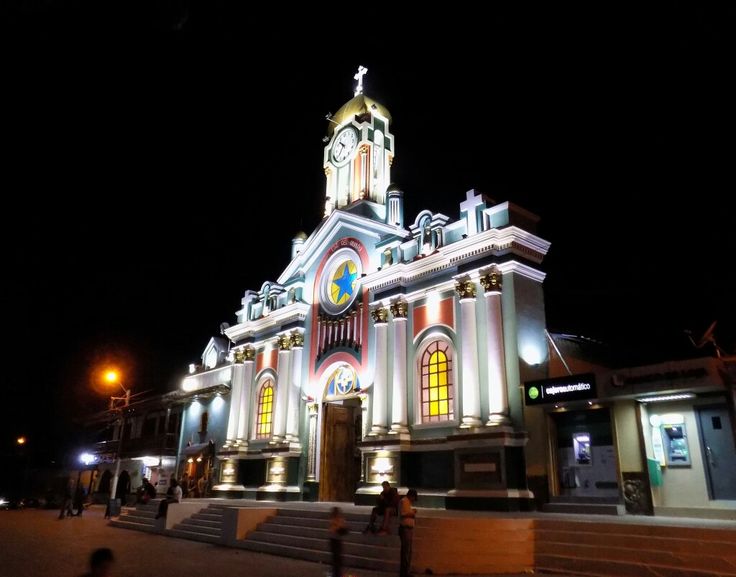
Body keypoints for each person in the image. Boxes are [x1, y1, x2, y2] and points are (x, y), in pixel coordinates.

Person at [398, 489, 418, 577]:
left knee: (408, 551)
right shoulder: (404, 501)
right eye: (414, 498)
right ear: (411, 496)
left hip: (408, 529)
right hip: (405, 529)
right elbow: (403, 513)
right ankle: (404, 573)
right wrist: (412, 513)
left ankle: (406, 571)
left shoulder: (407, 502)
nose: (413, 500)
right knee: (406, 551)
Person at [329, 506, 348, 577]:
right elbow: (333, 530)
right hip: (334, 541)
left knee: (338, 559)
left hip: (337, 540)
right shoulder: (333, 520)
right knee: (336, 558)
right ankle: (336, 574)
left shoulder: (340, 520)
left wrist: (341, 527)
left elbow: (343, 529)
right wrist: (339, 527)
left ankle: (337, 573)